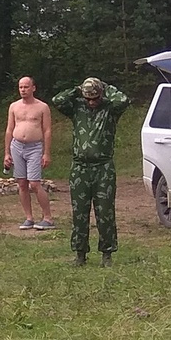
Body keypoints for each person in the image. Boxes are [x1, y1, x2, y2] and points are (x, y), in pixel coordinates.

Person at [51, 75, 130, 266]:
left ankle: (107, 254)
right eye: (88, 98)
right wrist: (78, 90)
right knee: (79, 212)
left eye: (95, 98)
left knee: (105, 212)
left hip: (103, 168)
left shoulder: (110, 109)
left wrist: (105, 86)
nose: (92, 102)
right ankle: (80, 253)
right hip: (80, 168)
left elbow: (123, 100)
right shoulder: (77, 107)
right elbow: (57, 100)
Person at [4, 76, 55, 232]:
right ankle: (29, 217)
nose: (23, 90)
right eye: (20, 87)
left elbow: (47, 130)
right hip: (17, 145)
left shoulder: (42, 107)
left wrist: (46, 153)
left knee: (34, 183)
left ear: (33, 88)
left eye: (26, 87)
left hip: (34, 147)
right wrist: (6, 152)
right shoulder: (14, 106)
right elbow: (9, 129)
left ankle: (48, 218)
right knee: (21, 183)